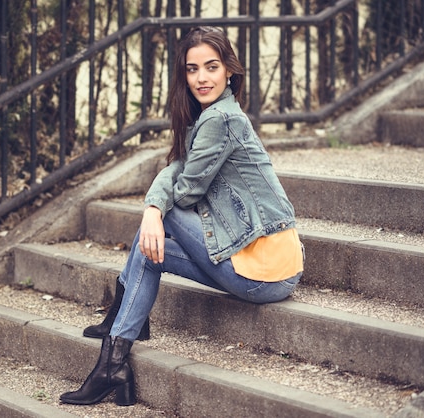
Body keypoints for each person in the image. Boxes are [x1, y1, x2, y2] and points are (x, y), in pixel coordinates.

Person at [60, 26, 304, 407]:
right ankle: (117, 353)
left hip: (265, 270)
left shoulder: (221, 119)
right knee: (149, 248)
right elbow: (178, 169)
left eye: (211, 67)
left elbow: (186, 191)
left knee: (159, 223)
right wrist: (155, 206)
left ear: (229, 71)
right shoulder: (213, 116)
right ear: (184, 75)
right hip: (262, 266)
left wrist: (154, 210)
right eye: (192, 69)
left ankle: (117, 344)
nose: (201, 78)